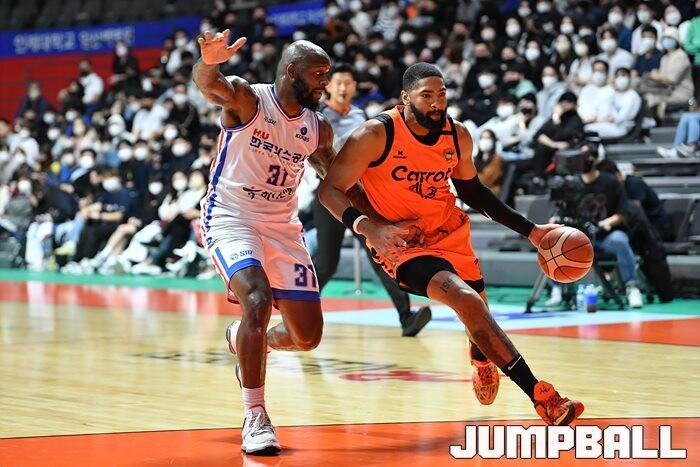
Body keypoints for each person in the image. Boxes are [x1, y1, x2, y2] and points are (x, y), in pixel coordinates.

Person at [319, 62, 584, 427]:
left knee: (479, 315)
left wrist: (532, 232)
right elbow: (330, 190)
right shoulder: (376, 134)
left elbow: (474, 192)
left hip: (449, 233)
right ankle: (542, 397)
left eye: (441, 95)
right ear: (405, 98)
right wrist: (369, 228)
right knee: (467, 301)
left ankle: (481, 358)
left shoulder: (457, 135)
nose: (436, 103)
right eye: (426, 95)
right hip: (404, 243)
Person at [193, 30, 376, 455]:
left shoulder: (318, 128)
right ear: (292, 71)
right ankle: (255, 415)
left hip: (282, 227)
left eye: (327, 75)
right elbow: (209, 84)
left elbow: (337, 182)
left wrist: (378, 223)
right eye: (318, 74)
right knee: (257, 300)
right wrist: (209, 61)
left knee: (307, 337)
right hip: (232, 216)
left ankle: (247, 338)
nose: (324, 83)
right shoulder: (249, 100)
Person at [312, 63, 432, 336]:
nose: (343, 88)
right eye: (338, 83)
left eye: (348, 83)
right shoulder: (319, 117)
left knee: (380, 254)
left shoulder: (361, 115)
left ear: (355, 87)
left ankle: (407, 318)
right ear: (329, 87)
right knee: (327, 263)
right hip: (330, 194)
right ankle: (298, 312)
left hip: (361, 194)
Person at [547, 143, 645, 309]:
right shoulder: (570, 184)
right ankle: (556, 289)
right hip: (578, 236)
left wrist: (606, 223)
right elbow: (558, 211)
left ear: (593, 159)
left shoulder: (610, 182)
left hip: (605, 234)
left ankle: (632, 287)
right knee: (553, 242)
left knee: (620, 240)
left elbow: (624, 212)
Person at [597, 159, 674, 242]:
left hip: (657, 230)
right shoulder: (618, 189)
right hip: (643, 231)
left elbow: (634, 214)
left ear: (618, 174)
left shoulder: (634, 184)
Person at [584, 67, 641, 140]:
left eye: (623, 75)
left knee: (589, 130)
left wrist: (614, 119)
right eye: (617, 76)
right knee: (587, 128)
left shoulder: (632, 95)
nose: (620, 78)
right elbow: (607, 108)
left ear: (629, 78)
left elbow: (624, 116)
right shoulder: (613, 93)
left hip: (623, 127)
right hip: (611, 123)